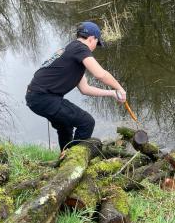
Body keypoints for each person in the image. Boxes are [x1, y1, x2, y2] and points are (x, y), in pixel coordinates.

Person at [26, 21, 126, 151]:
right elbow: (100, 74)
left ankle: (65, 157)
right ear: (91, 39)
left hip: (36, 97)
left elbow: (85, 89)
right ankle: (75, 158)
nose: (95, 47)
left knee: (65, 126)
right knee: (87, 122)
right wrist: (119, 88)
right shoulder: (80, 49)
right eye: (97, 43)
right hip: (43, 97)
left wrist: (112, 93)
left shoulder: (72, 51)